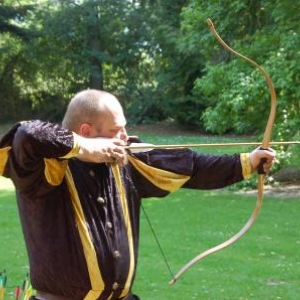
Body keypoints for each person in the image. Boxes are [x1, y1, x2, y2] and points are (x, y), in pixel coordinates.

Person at [0, 89, 275, 300]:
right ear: (86, 131)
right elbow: (26, 134)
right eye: (116, 130)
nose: (125, 136)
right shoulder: (44, 169)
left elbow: (190, 166)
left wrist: (248, 162)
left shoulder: (127, 160)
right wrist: (85, 149)